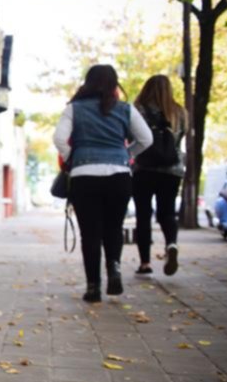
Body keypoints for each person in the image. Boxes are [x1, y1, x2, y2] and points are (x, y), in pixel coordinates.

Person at [53, 65, 153, 303]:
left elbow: (59, 138)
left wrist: (72, 157)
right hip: (118, 175)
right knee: (113, 227)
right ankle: (114, 269)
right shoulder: (126, 109)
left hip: (84, 176)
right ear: (114, 84)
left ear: (87, 83)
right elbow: (146, 139)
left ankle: (93, 287)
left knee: (90, 233)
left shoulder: (74, 109)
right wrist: (126, 155)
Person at [132, 75, 186, 276]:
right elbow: (180, 138)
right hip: (172, 169)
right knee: (167, 212)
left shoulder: (138, 110)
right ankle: (171, 244)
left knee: (143, 215)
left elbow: (131, 135)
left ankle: (145, 263)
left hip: (143, 168)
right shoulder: (179, 112)